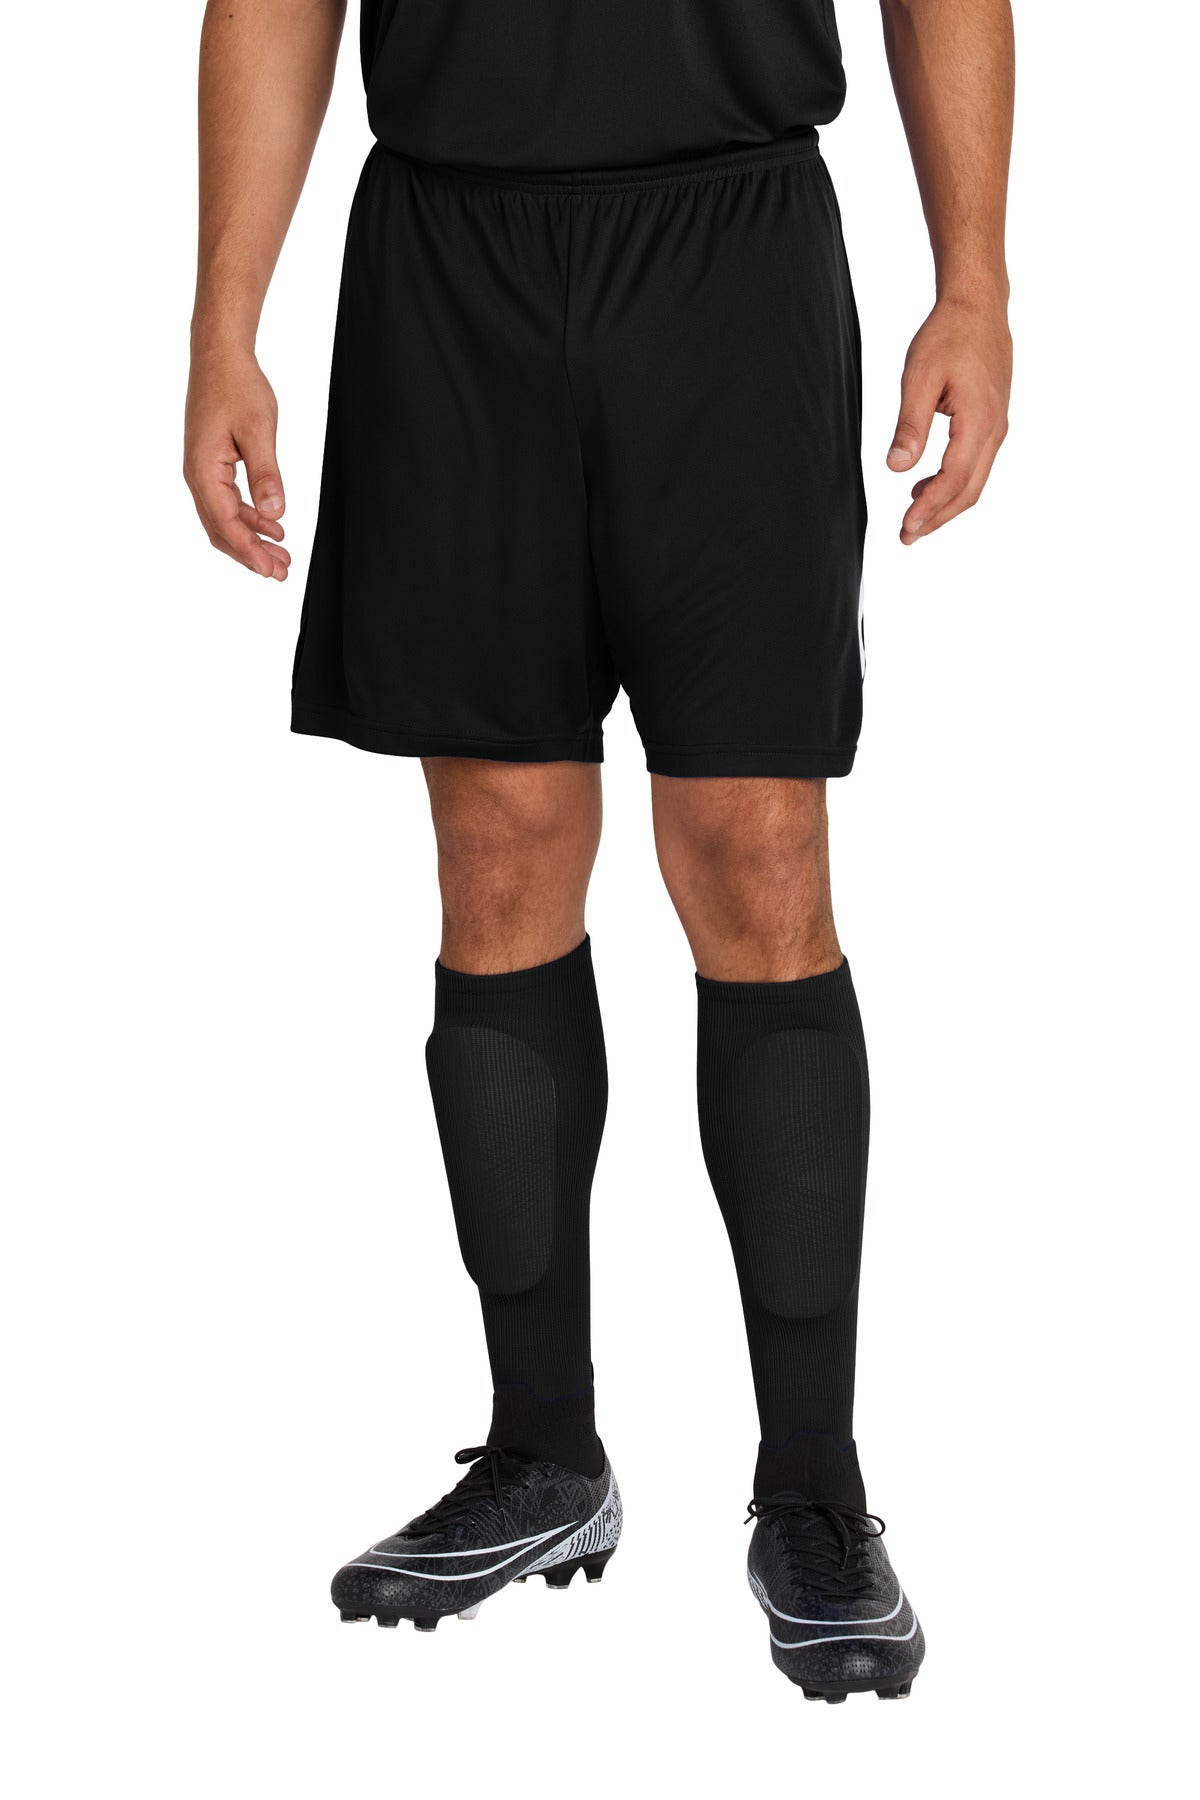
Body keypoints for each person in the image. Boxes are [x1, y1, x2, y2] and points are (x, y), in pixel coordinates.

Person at [185, 0, 1012, 1699]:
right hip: (449, 253)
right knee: (498, 852)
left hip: (733, 242)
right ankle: (544, 1454)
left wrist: (977, 282)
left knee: (756, 854)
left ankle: (815, 1494)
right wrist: (223, 318)